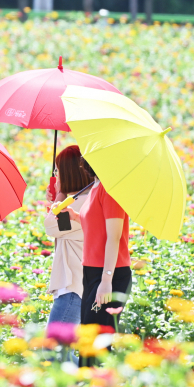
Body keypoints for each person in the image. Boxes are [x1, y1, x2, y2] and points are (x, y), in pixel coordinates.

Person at [64, 157, 132, 367]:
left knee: (98, 339)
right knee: (89, 334)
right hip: (93, 271)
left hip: (110, 273)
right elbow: (95, 229)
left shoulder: (111, 190)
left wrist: (106, 280)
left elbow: (113, 237)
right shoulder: (96, 187)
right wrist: (73, 216)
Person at [44, 145, 93, 327]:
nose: (56, 176)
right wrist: (58, 198)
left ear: (68, 172)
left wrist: (59, 195)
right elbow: (59, 227)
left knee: (56, 350)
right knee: (63, 351)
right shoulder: (82, 199)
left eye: (58, 171)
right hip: (74, 284)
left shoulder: (82, 202)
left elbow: (52, 226)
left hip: (74, 286)